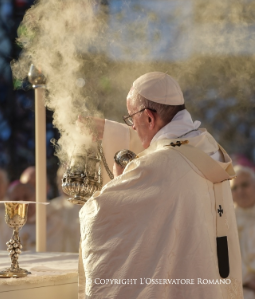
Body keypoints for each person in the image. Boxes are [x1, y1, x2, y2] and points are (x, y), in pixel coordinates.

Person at [77, 72, 243, 298]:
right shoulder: (207, 145)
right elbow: (167, 144)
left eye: (131, 118)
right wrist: (111, 132)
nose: (132, 127)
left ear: (148, 117)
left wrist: (120, 182)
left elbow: (99, 216)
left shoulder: (154, 168)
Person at [231, 165, 255, 299]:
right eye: (234, 188)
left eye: (245, 184)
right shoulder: (225, 222)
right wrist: (248, 280)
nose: (240, 191)